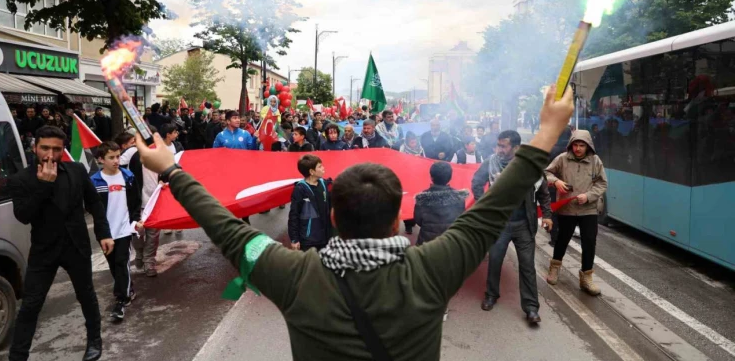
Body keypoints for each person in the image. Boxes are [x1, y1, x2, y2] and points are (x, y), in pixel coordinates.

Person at [132, 83, 574, 361]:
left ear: (333, 216)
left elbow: (226, 229)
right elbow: (492, 208)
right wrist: (547, 133)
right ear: (398, 219)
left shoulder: (292, 273)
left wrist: (171, 170)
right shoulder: (433, 267)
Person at [7, 126, 114, 361]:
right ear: (35, 148)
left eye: (56, 149)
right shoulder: (20, 179)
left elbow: (94, 203)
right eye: (45, 148)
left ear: (63, 150)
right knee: (31, 305)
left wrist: (103, 233)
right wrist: (44, 185)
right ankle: (18, 356)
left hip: (76, 246)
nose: (50, 155)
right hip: (44, 250)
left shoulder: (76, 171)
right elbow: (23, 215)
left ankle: (94, 341)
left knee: (86, 295)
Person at [471, 130, 552, 324]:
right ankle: (491, 295)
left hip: (524, 224)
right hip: (500, 223)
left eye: (503, 146)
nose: (499, 149)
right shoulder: (491, 163)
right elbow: (476, 182)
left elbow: (543, 192)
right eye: (498, 145)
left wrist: (547, 215)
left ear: (516, 147)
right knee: (495, 260)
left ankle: (531, 308)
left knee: (527, 266)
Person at [544, 130, 608, 295]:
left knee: (589, 242)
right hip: (567, 208)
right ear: (571, 145)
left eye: (582, 145)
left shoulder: (595, 161)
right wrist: (556, 181)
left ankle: (586, 278)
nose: (578, 149)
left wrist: (588, 196)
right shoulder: (562, 158)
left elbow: (602, 183)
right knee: (562, 239)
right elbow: (546, 173)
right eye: (575, 145)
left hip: (589, 209)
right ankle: (554, 268)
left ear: (588, 146)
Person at [91, 142, 143, 321]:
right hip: (105, 234)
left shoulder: (128, 176)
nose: (116, 161)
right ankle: (128, 288)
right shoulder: (94, 181)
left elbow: (135, 201)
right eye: (111, 157)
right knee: (114, 265)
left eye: (118, 156)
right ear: (100, 160)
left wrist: (135, 220)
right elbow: (91, 207)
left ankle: (121, 300)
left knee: (121, 262)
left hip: (124, 230)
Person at [128, 125, 162, 277]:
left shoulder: (160, 155)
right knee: (137, 233)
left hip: (155, 201)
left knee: (153, 235)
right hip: (138, 203)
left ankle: (149, 261)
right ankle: (140, 253)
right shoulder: (135, 157)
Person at [414, 162, 469, 244]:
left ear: (431, 177)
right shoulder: (459, 197)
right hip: (451, 241)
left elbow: (418, 220)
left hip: (427, 243)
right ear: (450, 177)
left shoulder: (422, 198)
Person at [288, 155, 333, 251]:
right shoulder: (300, 189)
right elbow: (294, 215)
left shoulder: (323, 183)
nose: (323, 168)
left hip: (326, 236)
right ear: (312, 172)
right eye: (320, 166)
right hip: (309, 239)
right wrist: (294, 239)